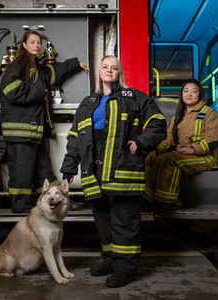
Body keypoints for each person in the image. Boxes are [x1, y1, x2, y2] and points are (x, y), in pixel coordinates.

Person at [60, 55, 166, 287]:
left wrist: (140, 142)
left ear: (120, 72)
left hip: (123, 174)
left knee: (125, 226)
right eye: (105, 66)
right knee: (104, 224)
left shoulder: (135, 97)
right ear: (99, 72)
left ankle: (125, 270)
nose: (109, 70)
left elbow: (158, 123)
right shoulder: (88, 102)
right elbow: (75, 137)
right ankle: (109, 260)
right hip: (94, 177)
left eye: (114, 67)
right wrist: (69, 166)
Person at [0, 31, 89, 213]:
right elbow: (10, 90)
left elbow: (53, 71)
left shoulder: (36, 68)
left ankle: (58, 201)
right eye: (32, 42)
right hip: (21, 132)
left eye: (39, 43)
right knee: (22, 174)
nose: (36, 45)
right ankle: (21, 207)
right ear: (23, 45)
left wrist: (75, 64)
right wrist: (40, 94)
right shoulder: (18, 64)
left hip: (33, 131)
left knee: (43, 170)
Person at [145, 78, 218, 211]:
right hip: (182, 155)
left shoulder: (210, 114)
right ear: (182, 94)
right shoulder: (178, 117)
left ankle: (166, 201)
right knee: (154, 161)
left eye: (194, 91)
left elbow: (215, 138)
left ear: (200, 94)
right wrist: (156, 151)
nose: (189, 94)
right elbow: (169, 138)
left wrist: (193, 150)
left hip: (204, 157)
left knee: (172, 159)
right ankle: (147, 200)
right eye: (186, 91)